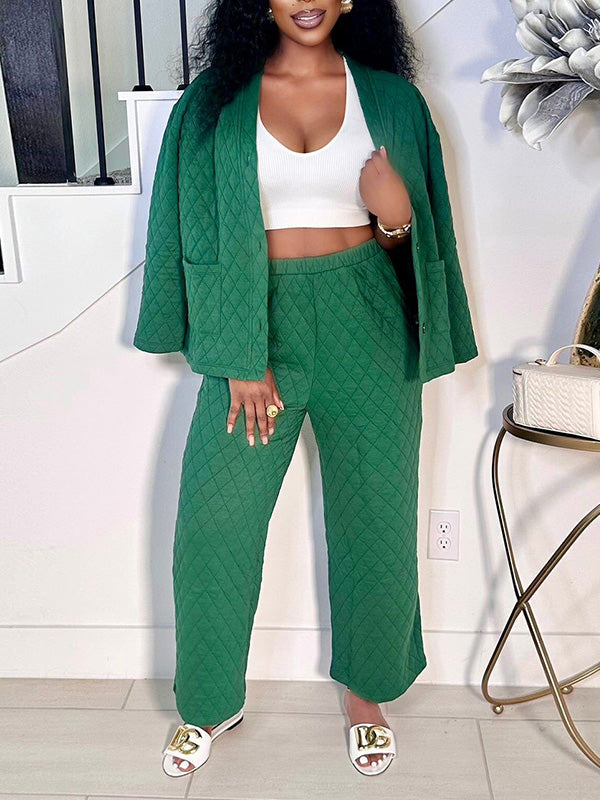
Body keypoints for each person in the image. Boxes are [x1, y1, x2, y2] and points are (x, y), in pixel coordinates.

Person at [133, 0, 478, 779]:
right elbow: (190, 229)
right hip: (257, 328)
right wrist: (237, 353)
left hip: (369, 320)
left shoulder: (392, 100)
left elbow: (421, 236)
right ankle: (209, 701)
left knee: (377, 517)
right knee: (216, 522)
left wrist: (395, 217)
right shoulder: (213, 104)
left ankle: (368, 694)